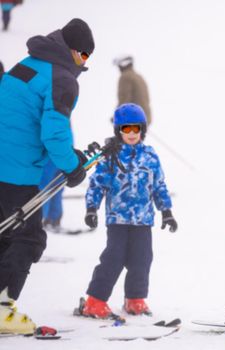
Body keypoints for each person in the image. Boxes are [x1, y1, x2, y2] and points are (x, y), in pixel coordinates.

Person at [0, 18, 94, 334]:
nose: (84, 62)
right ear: (71, 50)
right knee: (28, 237)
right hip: (18, 171)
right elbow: (53, 133)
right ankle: (3, 309)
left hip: (3, 164)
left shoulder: (26, 64)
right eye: (83, 54)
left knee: (5, 234)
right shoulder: (62, 77)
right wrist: (72, 166)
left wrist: (71, 159)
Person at [80, 103, 177, 318]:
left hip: (143, 220)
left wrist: (166, 211)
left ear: (142, 130)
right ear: (118, 131)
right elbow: (97, 184)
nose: (132, 134)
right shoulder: (111, 156)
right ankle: (95, 300)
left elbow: (159, 185)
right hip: (118, 219)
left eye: (136, 129)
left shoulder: (150, 156)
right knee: (113, 258)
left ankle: (135, 299)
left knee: (142, 260)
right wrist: (91, 208)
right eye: (126, 129)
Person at [113, 56, 152, 126]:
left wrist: (117, 116)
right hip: (145, 116)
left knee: (126, 135)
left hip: (133, 118)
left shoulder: (125, 77)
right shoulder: (138, 76)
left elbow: (124, 99)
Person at [39, 161, 64, 231]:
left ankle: (43, 219)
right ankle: (54, 219)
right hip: (63, 157)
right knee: (57, 188)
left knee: (44, 189)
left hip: (47, 158)